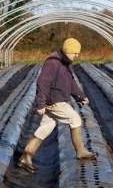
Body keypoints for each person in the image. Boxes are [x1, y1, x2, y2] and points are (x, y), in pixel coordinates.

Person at [17, 38, 98, 173]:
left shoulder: (66, 63)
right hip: (54, 101)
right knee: (75, 119)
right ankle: (81, 151)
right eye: (75, 52)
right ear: (68, 51)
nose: (77, 55)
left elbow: (71, 83)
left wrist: (81, 96)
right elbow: (43, 83)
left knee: (46, 127)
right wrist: (41, 103)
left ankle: (26, 157)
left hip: (56, 99)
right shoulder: (53, 63)